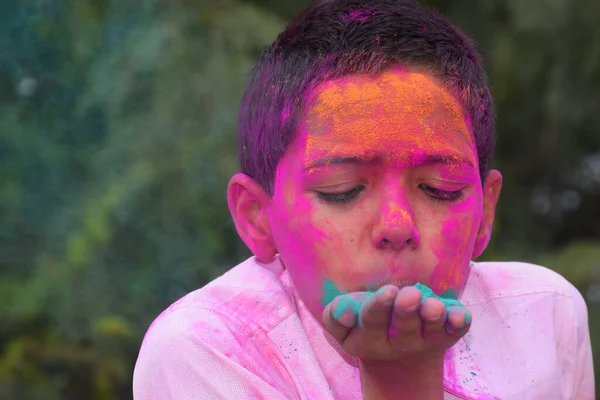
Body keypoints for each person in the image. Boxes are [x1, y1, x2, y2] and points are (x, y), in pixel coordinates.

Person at [132, 0, 595, 398]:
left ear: (485, 210)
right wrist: (400, 379)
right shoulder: (211, 347)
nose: (396, 226)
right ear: (258, 218)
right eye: (342, 191)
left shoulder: (543, 315)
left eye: (440, 189)